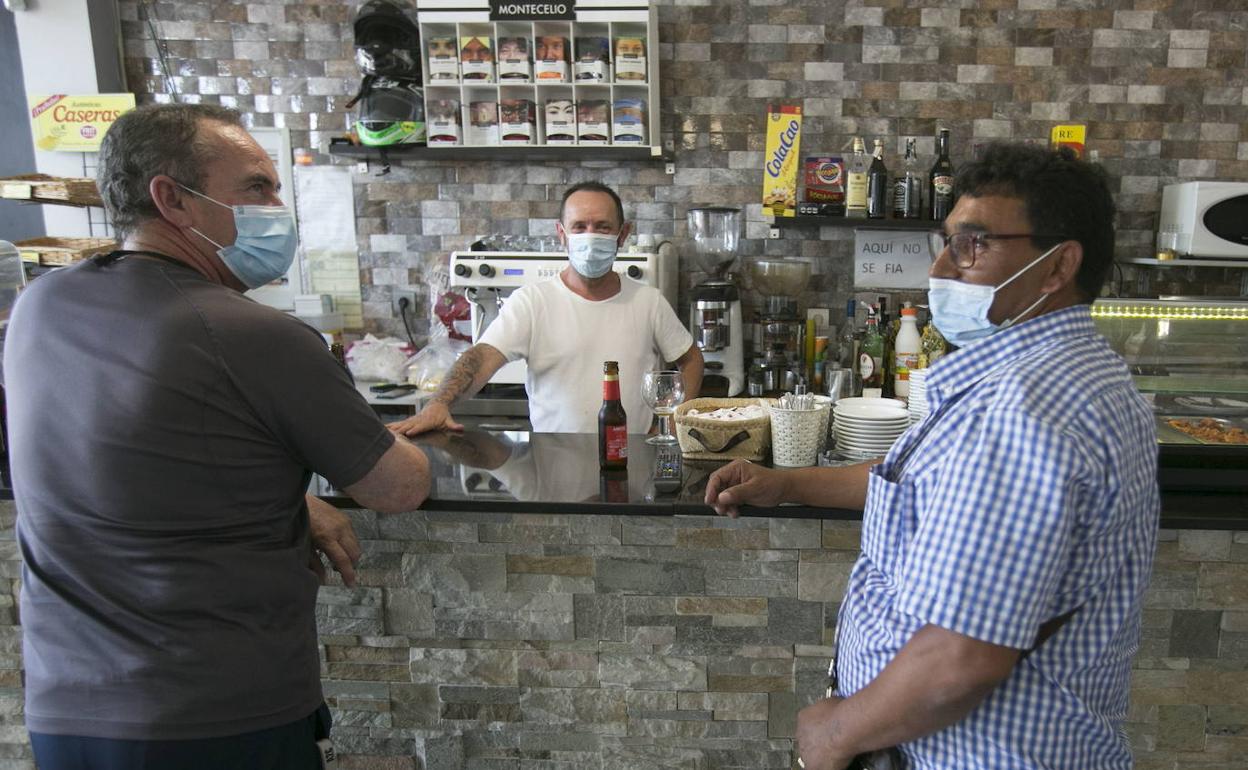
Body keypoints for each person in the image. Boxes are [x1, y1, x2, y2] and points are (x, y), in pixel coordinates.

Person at [4, 103, 432, 769]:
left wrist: (289, 499)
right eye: (257, 188)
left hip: (67, 714)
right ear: (172, 199)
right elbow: (399, 487)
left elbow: (127, 454)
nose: (277, 207)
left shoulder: (40, 306)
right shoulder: (256, 336)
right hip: (215, 719)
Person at [705, 143, 1158, 769]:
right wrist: (784, 484)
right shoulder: (1068, 374)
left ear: (1059, 266)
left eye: (973, 244)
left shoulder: (1021, 409)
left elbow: (959, 661)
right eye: (946, 242)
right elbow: (924, 484)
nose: (942, 267)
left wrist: (833, 732)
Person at [389, 181, 703, 437]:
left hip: (629, 458)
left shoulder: (648, 302)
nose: (589, 236)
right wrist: (439, 403)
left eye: (603, 227)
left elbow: (690, 359)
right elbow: (482, 356)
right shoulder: (531, 302)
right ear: (561, 234)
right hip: (553, 463)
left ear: (623, 235)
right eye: (579, 226)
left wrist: (674, 422)